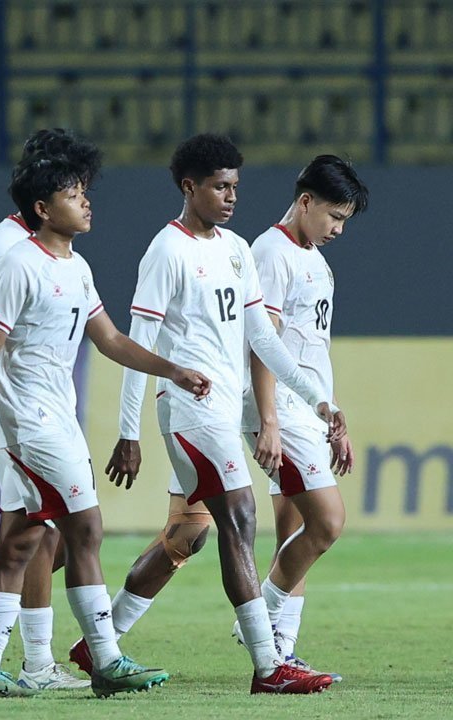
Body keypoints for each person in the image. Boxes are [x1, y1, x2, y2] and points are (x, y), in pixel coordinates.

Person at [80, 134, 345, 694]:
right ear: (189, 186)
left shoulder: (236, 249)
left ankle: (98, 641)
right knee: (242, 515)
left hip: (221, 411)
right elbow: (138, 344)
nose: (230, 197)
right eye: (220, 187)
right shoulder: (166, 251)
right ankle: (269, 667)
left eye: (235, 187)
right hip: (189, 408)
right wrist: (129, 433)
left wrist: (317, 399)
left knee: (187, 534)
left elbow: (265, 341)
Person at [0, 146, 212, 698]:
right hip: (29, 419)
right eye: (74, 195)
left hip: (57, 414)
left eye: (85, 192)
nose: (87, 202)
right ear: (43, 209)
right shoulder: (18, 264)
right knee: (85, 528)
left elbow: (111, 339)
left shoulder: (77, 266)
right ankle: (106, 660)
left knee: (22, 539)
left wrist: (173, 369)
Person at [0, 129, 98, 692]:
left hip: (47, 409)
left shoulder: (61, 253)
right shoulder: (7, 248)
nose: (82, 194)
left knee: (39, 535)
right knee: (51, 532)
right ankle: (35, 659)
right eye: (70, 184)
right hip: (16, 413)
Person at [234, 155, 369, 678]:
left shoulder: (315, 258)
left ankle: (281, 651)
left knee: (296, 534)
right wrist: (268, 421)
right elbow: (261, 344)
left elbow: (311, 349)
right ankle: (257, 622)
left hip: (306, 411)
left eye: (345, 220)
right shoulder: (270, 253)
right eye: (334, 216)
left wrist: (329, 418)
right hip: (280, 411)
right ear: (305, 201)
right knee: (328, 522)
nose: (338, 229)